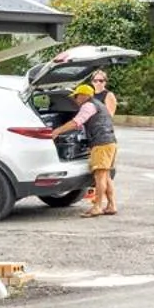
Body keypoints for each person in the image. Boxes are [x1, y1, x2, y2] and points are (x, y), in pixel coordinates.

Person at [52, 82, 118, 217]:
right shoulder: (99, 105)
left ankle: (97, 207)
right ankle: (111, 205)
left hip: (101, 144)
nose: (75, 100)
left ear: (83, 96)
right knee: (105, 176)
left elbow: (76, 122)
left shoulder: (88, 106)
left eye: (76, 97)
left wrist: (57, 131)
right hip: (110, 142)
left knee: (99, 177)